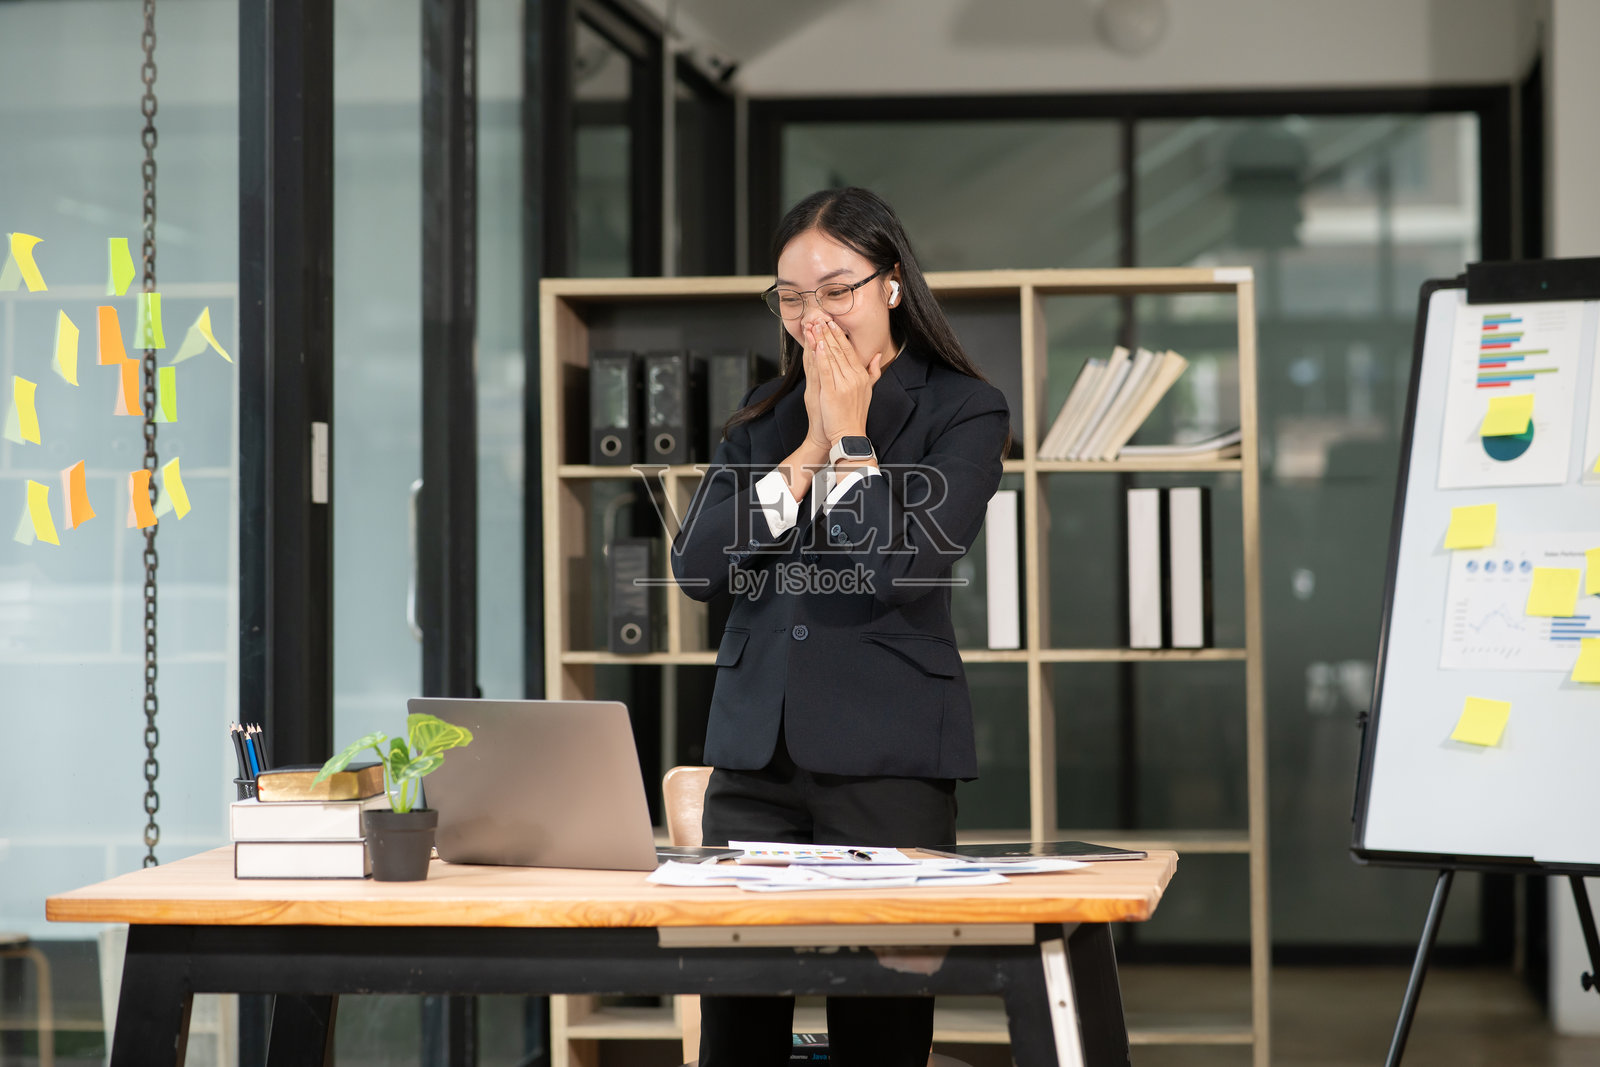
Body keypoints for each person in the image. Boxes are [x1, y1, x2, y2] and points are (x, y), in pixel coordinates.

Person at [670, 186, 1011, 1067]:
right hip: (754, 760)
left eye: (835, 288)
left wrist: (853, 433)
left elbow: (900, 569)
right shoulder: (762, 417)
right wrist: (810, 447)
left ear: (891, 284)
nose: (811, 315)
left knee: (882, 1033)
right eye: (790, 296)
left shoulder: (964, 409)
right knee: (737, 1034)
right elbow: (699, 568)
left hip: (889, 757)